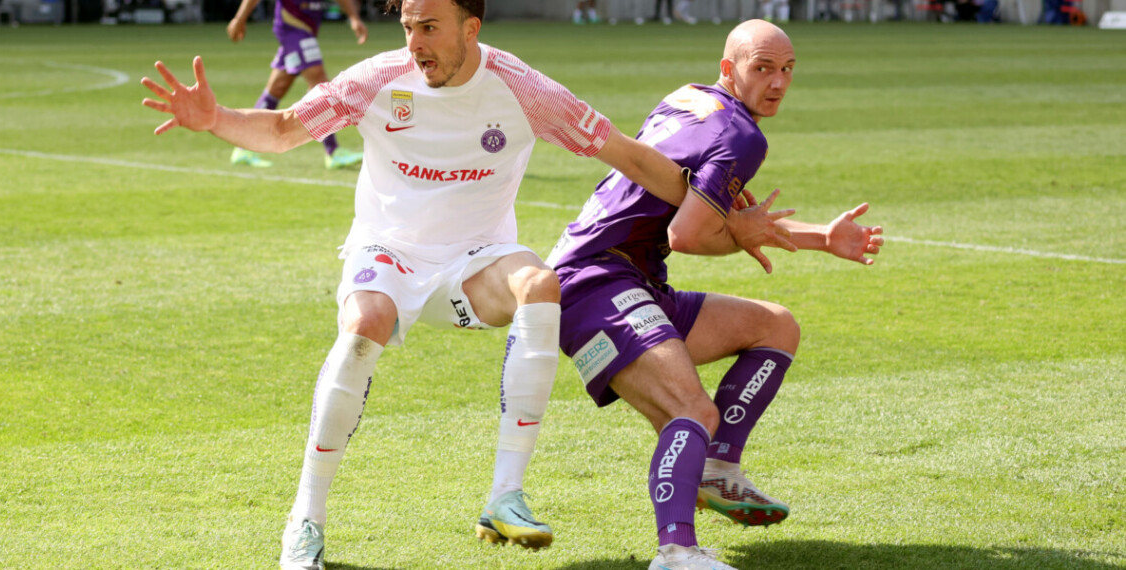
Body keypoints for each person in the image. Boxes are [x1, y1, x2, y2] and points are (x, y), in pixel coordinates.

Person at [140, 0, 691, 568]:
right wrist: (215, 119)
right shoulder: (377, 78)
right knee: (364, 323)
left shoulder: (524, 89)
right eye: (408, 27)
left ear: (470, 28)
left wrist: (721, 209)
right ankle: (305, 519)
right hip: (389, 250)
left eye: (429, 28)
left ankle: (505, 497)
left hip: (477, 259)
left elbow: (630, 156)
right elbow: (282, 131)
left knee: (539, 283)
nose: (415, 42)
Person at [546, 19, 883, 570]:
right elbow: (691, 233)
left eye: (788, 69)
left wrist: (821, 237)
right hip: (595, 283)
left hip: (624, 280)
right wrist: (739, 234)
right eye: (763, 68)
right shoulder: (743, 137)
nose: (778, 82)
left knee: (776, 325)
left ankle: (717, 471)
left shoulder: (688, 98)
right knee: (693, 412)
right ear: (730, 70)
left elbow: (713, 215)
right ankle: (677, 553)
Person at [226, 0, 368, 170]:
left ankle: (243, 149)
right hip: (293, 29)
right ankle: (334, 151)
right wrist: (239, 18)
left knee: (277, 88)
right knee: (320, 84)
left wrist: (354, 18)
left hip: (305, 30)